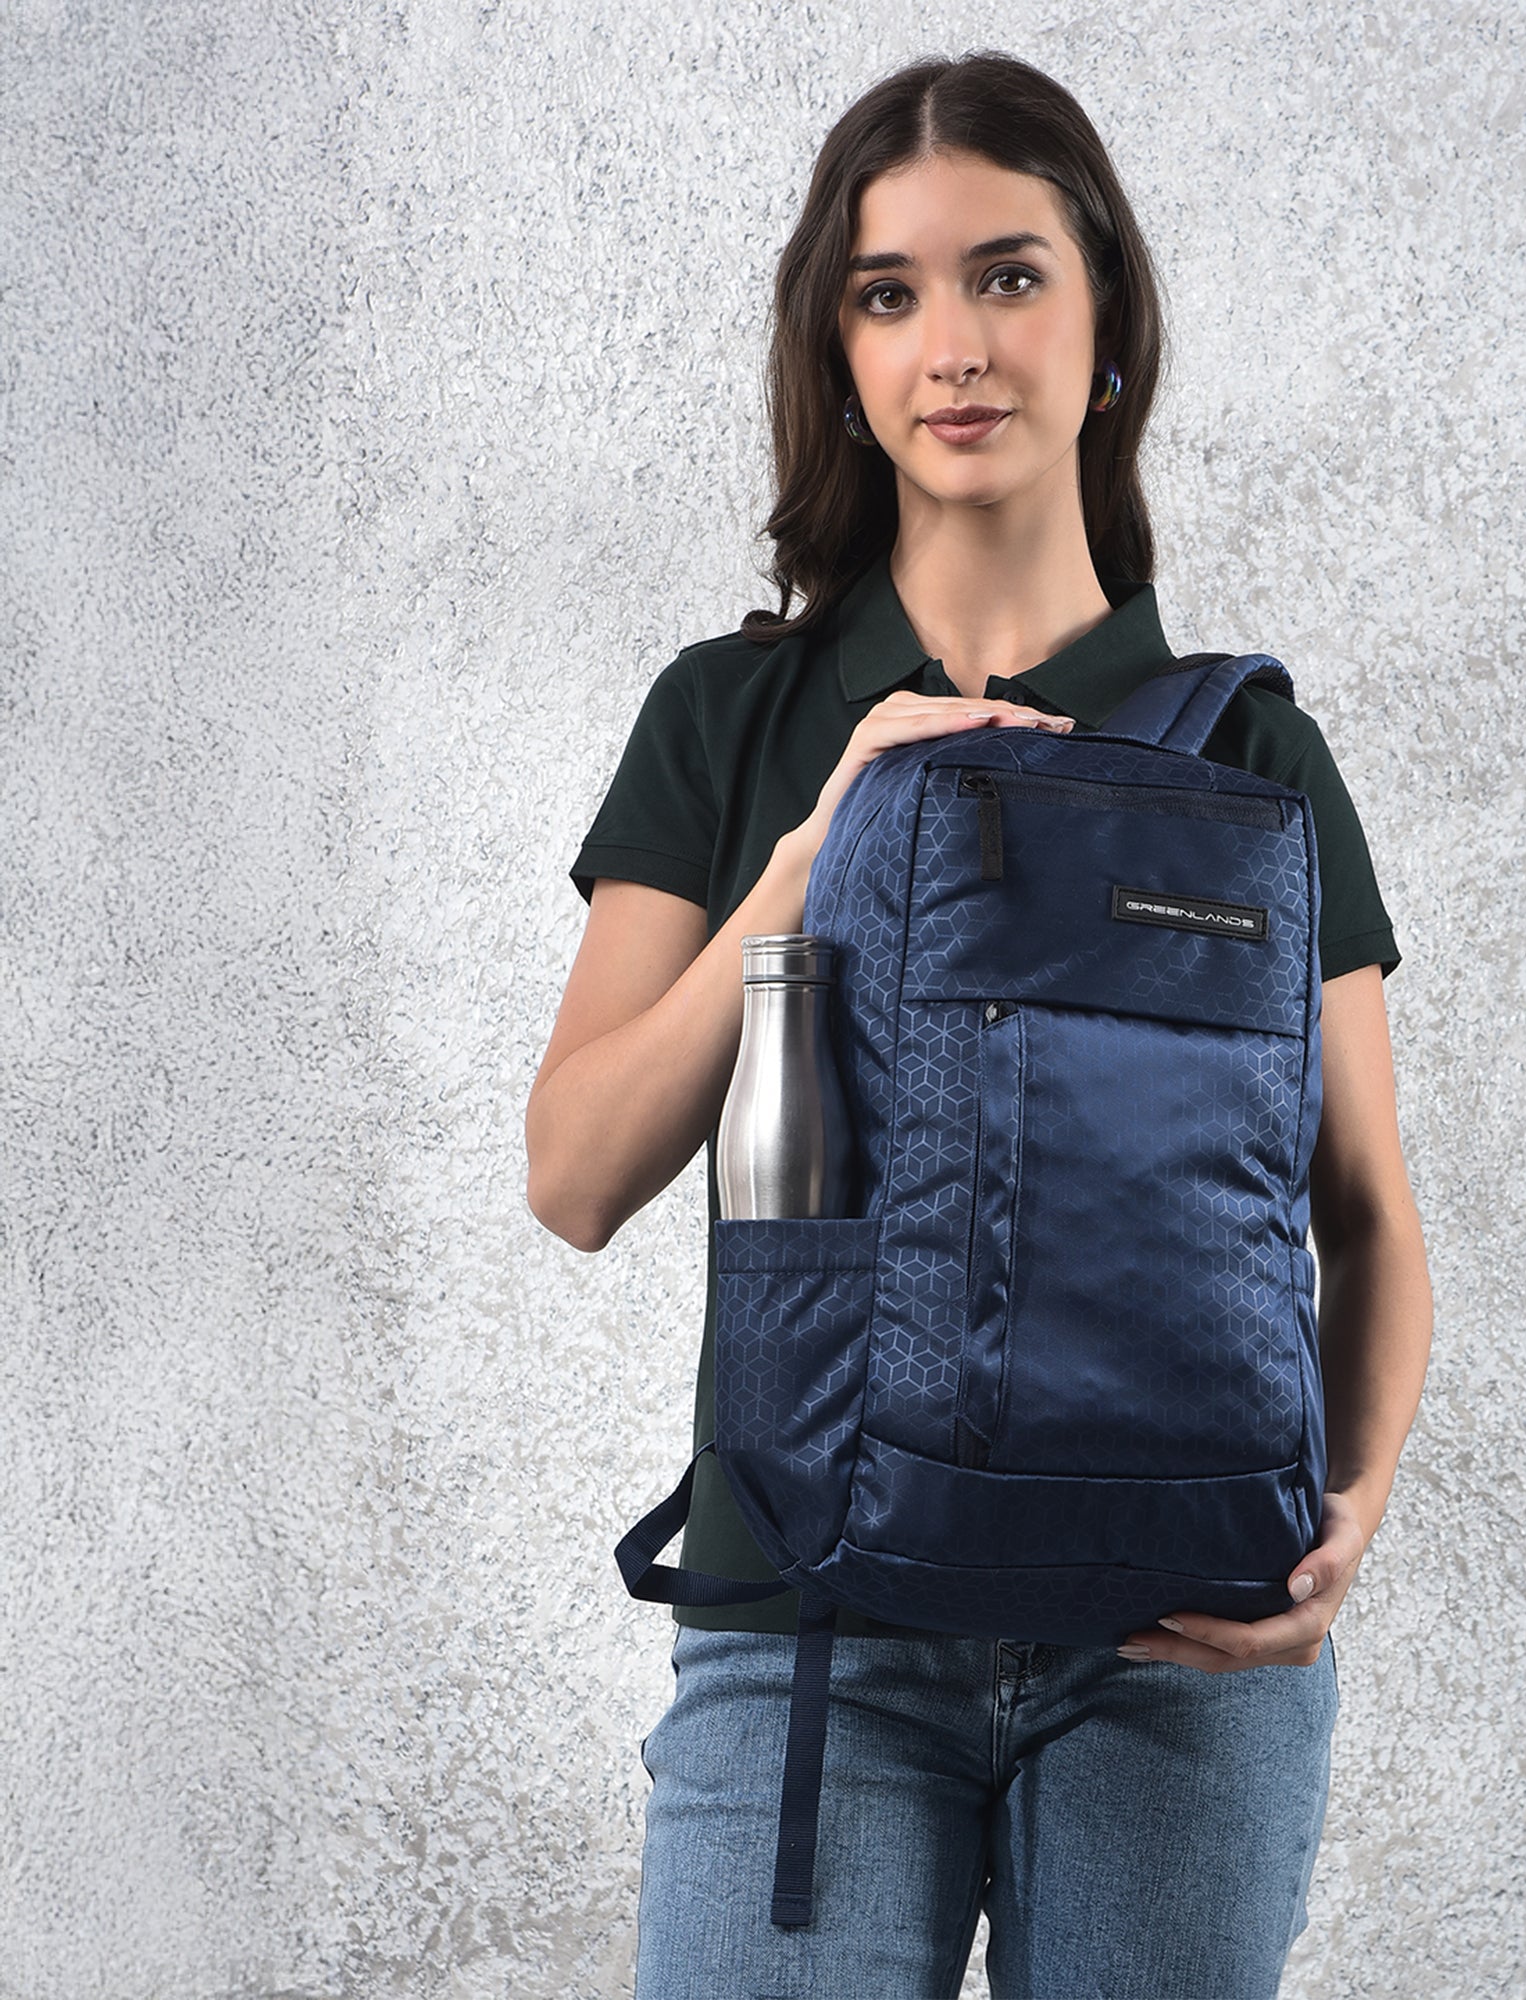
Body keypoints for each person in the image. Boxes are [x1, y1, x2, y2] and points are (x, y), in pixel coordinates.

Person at [526, 49, 1434, 2000]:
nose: (953, 342)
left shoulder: (1252, 756)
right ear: (841, 354)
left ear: (1107, 327)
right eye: (889, 292)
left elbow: (1366, 1216)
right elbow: (576, 1171)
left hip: (1176, 1647)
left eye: (1009, 275)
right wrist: (809, 856)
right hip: (808, 1627)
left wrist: (1342, 1526)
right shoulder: (733, 718)